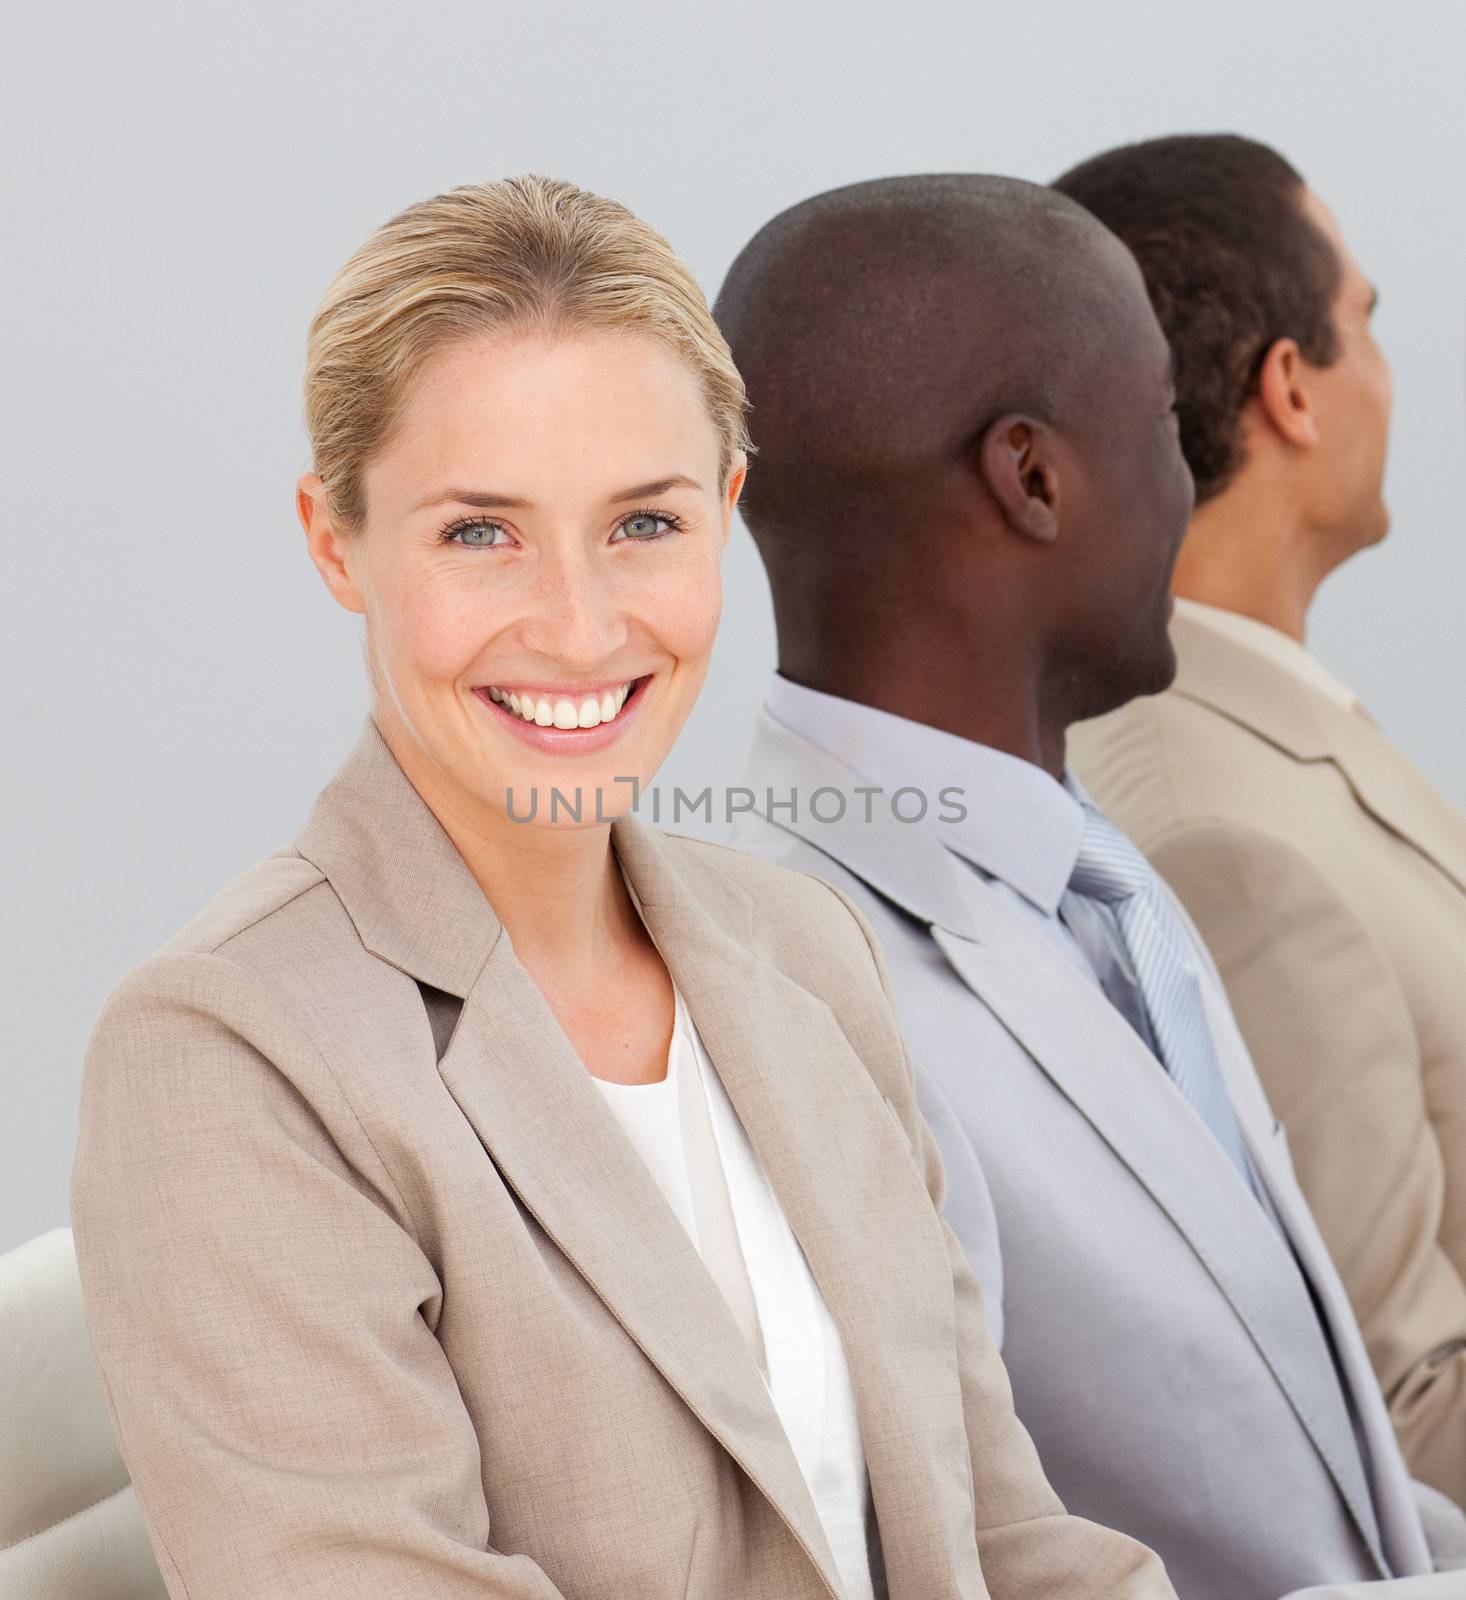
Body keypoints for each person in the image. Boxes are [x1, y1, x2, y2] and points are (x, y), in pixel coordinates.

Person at [68, 175, 1174, 1600]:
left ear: (725, 512)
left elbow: (1004, 1543)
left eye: (642, 524)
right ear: (335, 542)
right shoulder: (234, 1052)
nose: (580, 627)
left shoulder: (801, 951)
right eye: (480, 532)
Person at [715, 171, 1466, 1600]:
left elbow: (1348, 1505)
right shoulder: (803, 998)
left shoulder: (1096, 885)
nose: (1186, 489)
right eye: (1162, 434)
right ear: (1034, 477)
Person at [1056, 134, 1466, 1508]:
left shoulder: (1276, 737)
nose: (1389, 377)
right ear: (1288, 387)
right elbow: (1399, 1421)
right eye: (1363, 327)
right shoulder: (1217, 836)